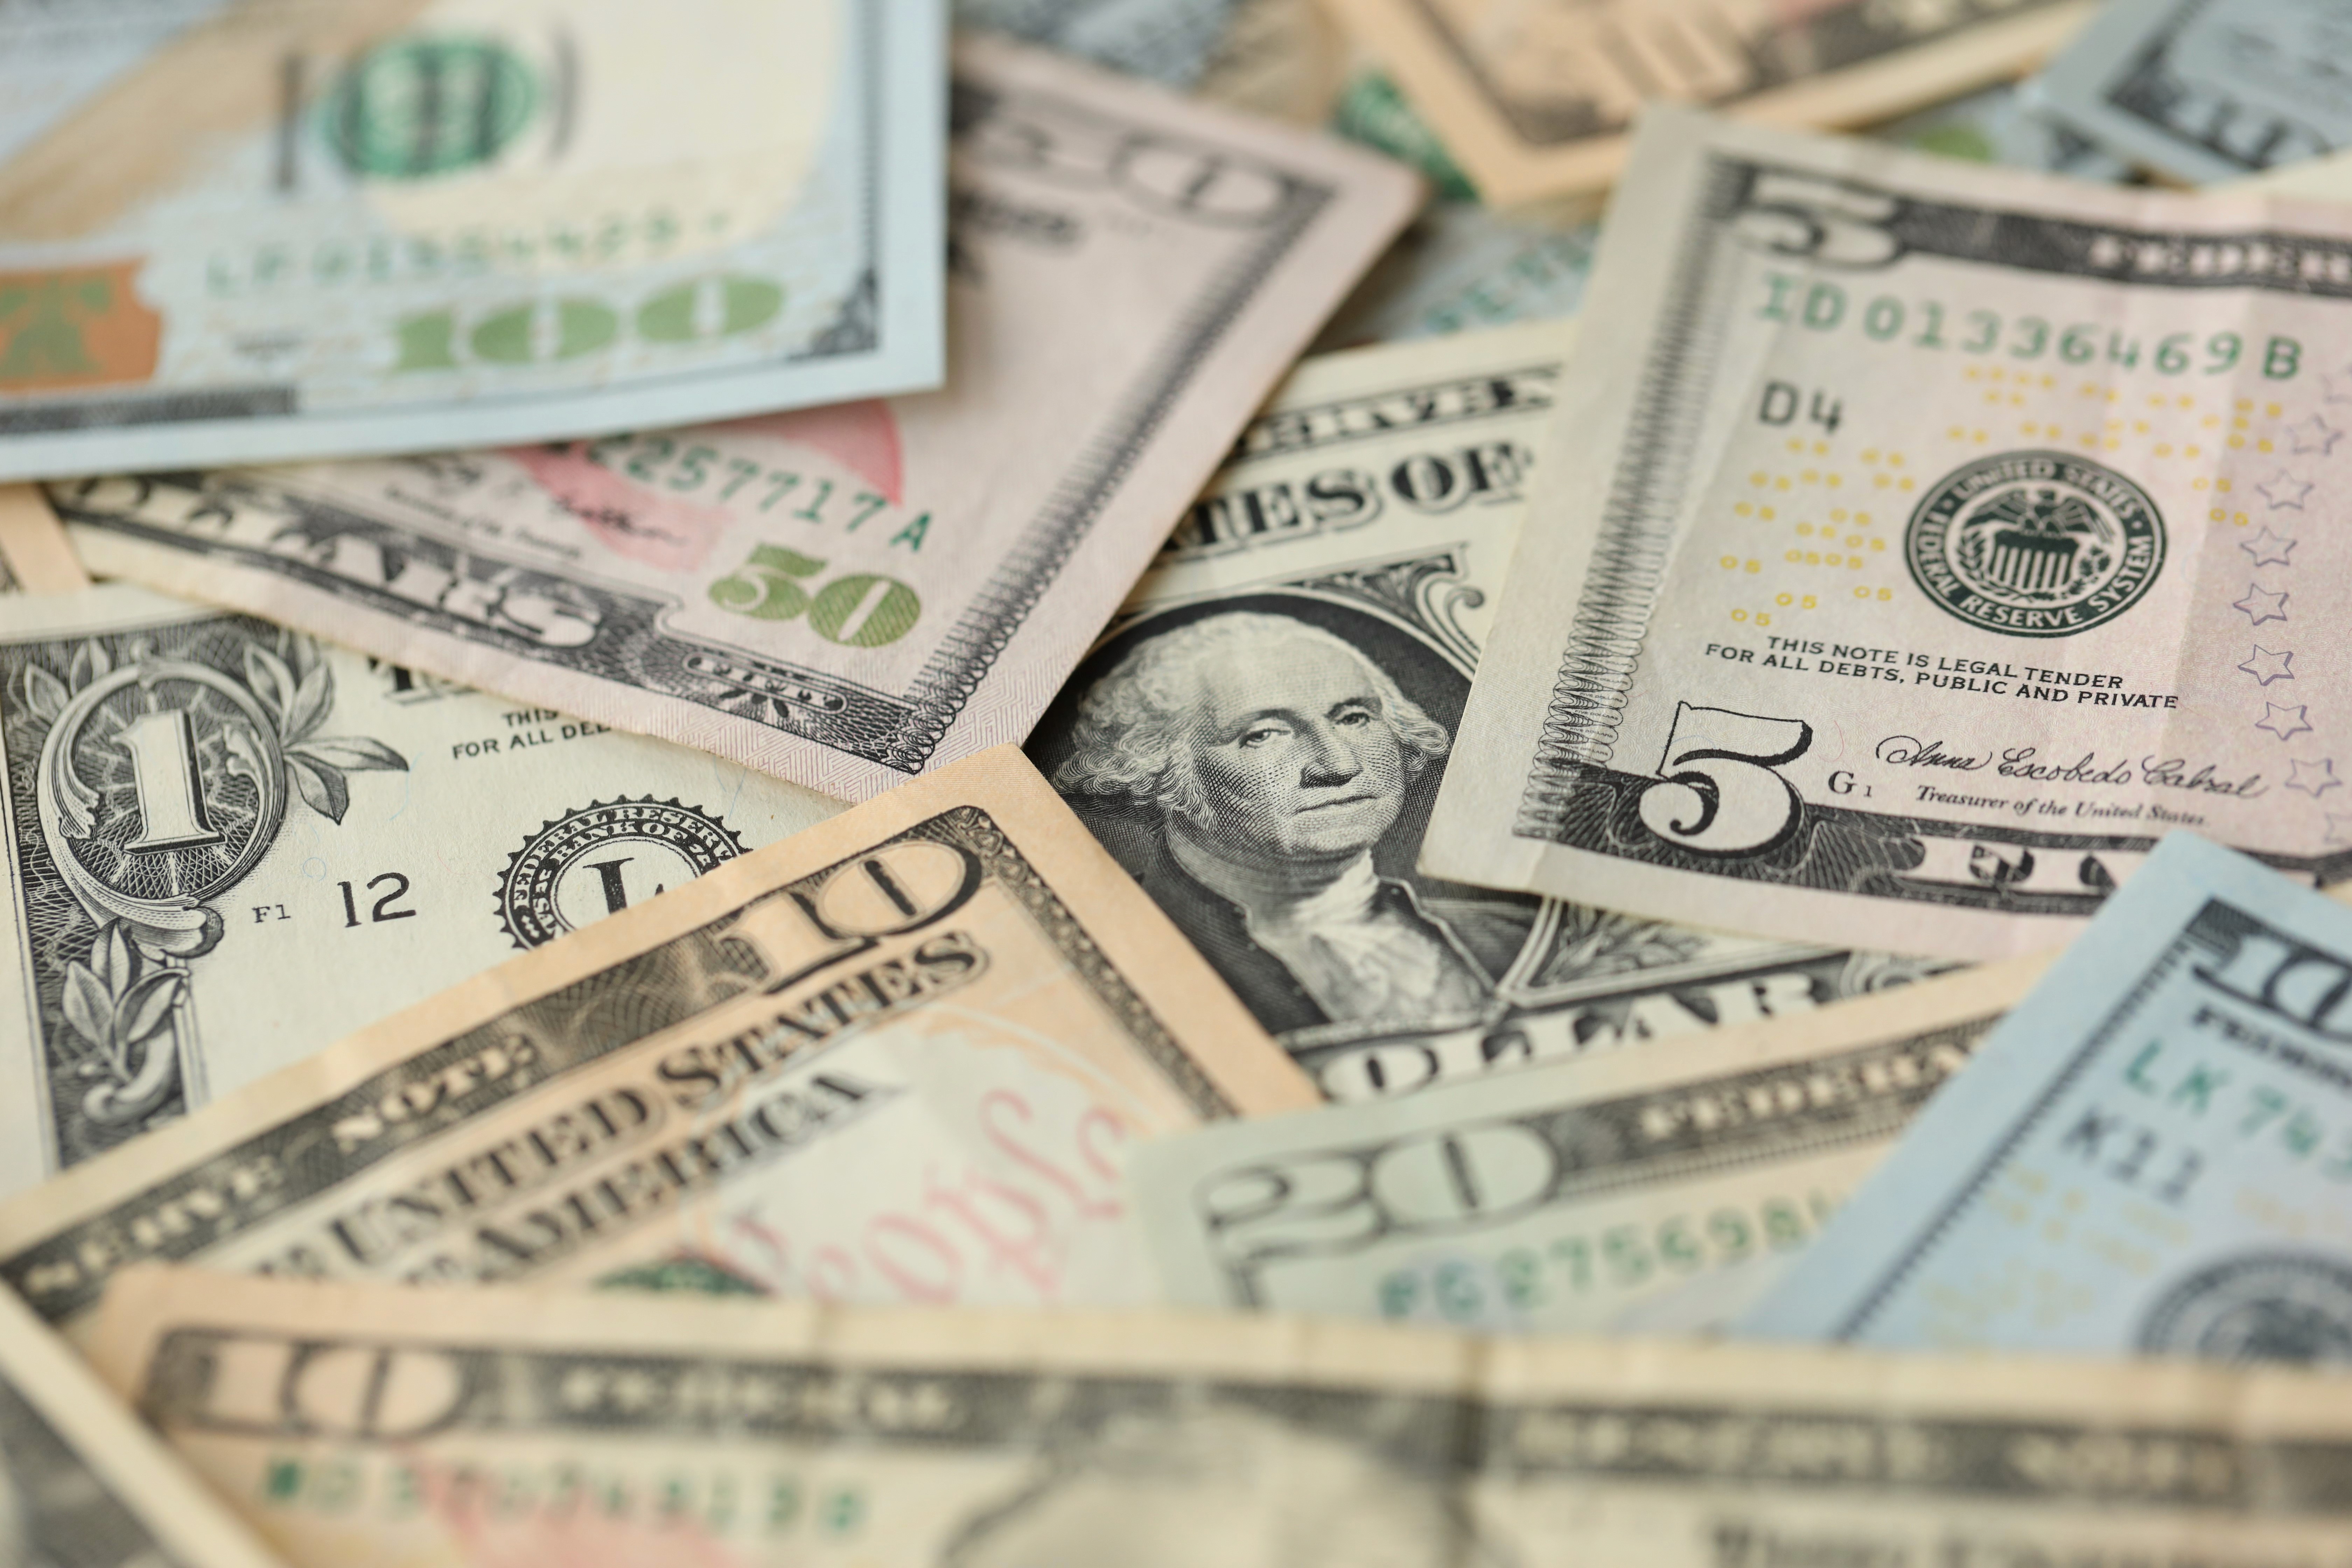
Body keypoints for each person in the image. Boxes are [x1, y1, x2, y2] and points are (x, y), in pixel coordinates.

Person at [1052, 611, 1533, 1034]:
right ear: (1157, 767)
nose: (1338, 765)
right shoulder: (1096, 966)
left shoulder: (1508, 939)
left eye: (1354, 718)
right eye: (1263, 734)